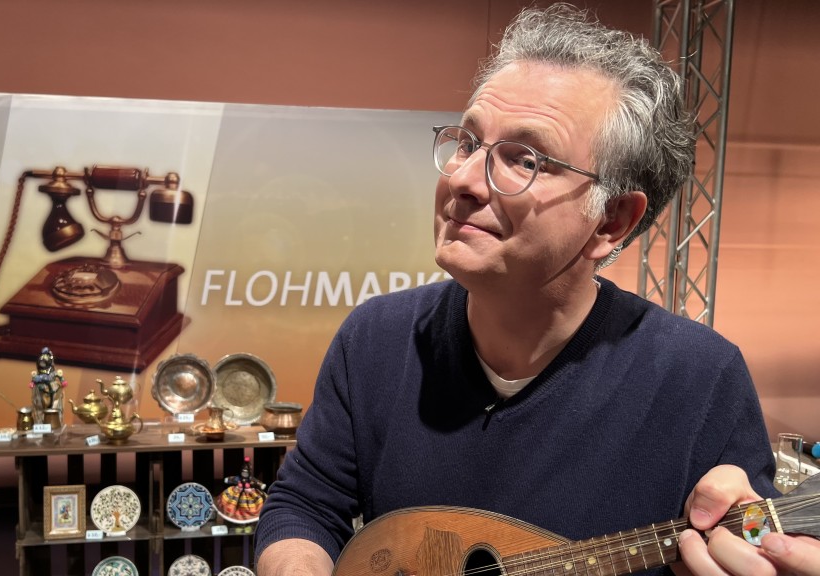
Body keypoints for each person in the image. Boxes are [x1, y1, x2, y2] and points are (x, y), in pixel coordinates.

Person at [254, 4, 819, 576]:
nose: (462, 179)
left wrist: (753, 555)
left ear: (612, 221)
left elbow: (754, 531)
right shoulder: (377, 337)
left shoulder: (700, 378)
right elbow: (306, 504)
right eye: (467, 143)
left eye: (524, 159)